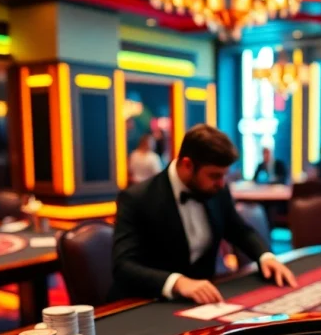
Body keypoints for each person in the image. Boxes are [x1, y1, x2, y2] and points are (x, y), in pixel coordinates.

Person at [111, 124, 298, 303]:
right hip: (149, 303)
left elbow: (239, 230)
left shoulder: (217, 190)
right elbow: (124, 266)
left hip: (204, 301)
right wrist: (177, 282)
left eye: (224, 175)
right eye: (215, 175)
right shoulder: (137, 198)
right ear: (187, 165)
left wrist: (265, 256)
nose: (222, 183)